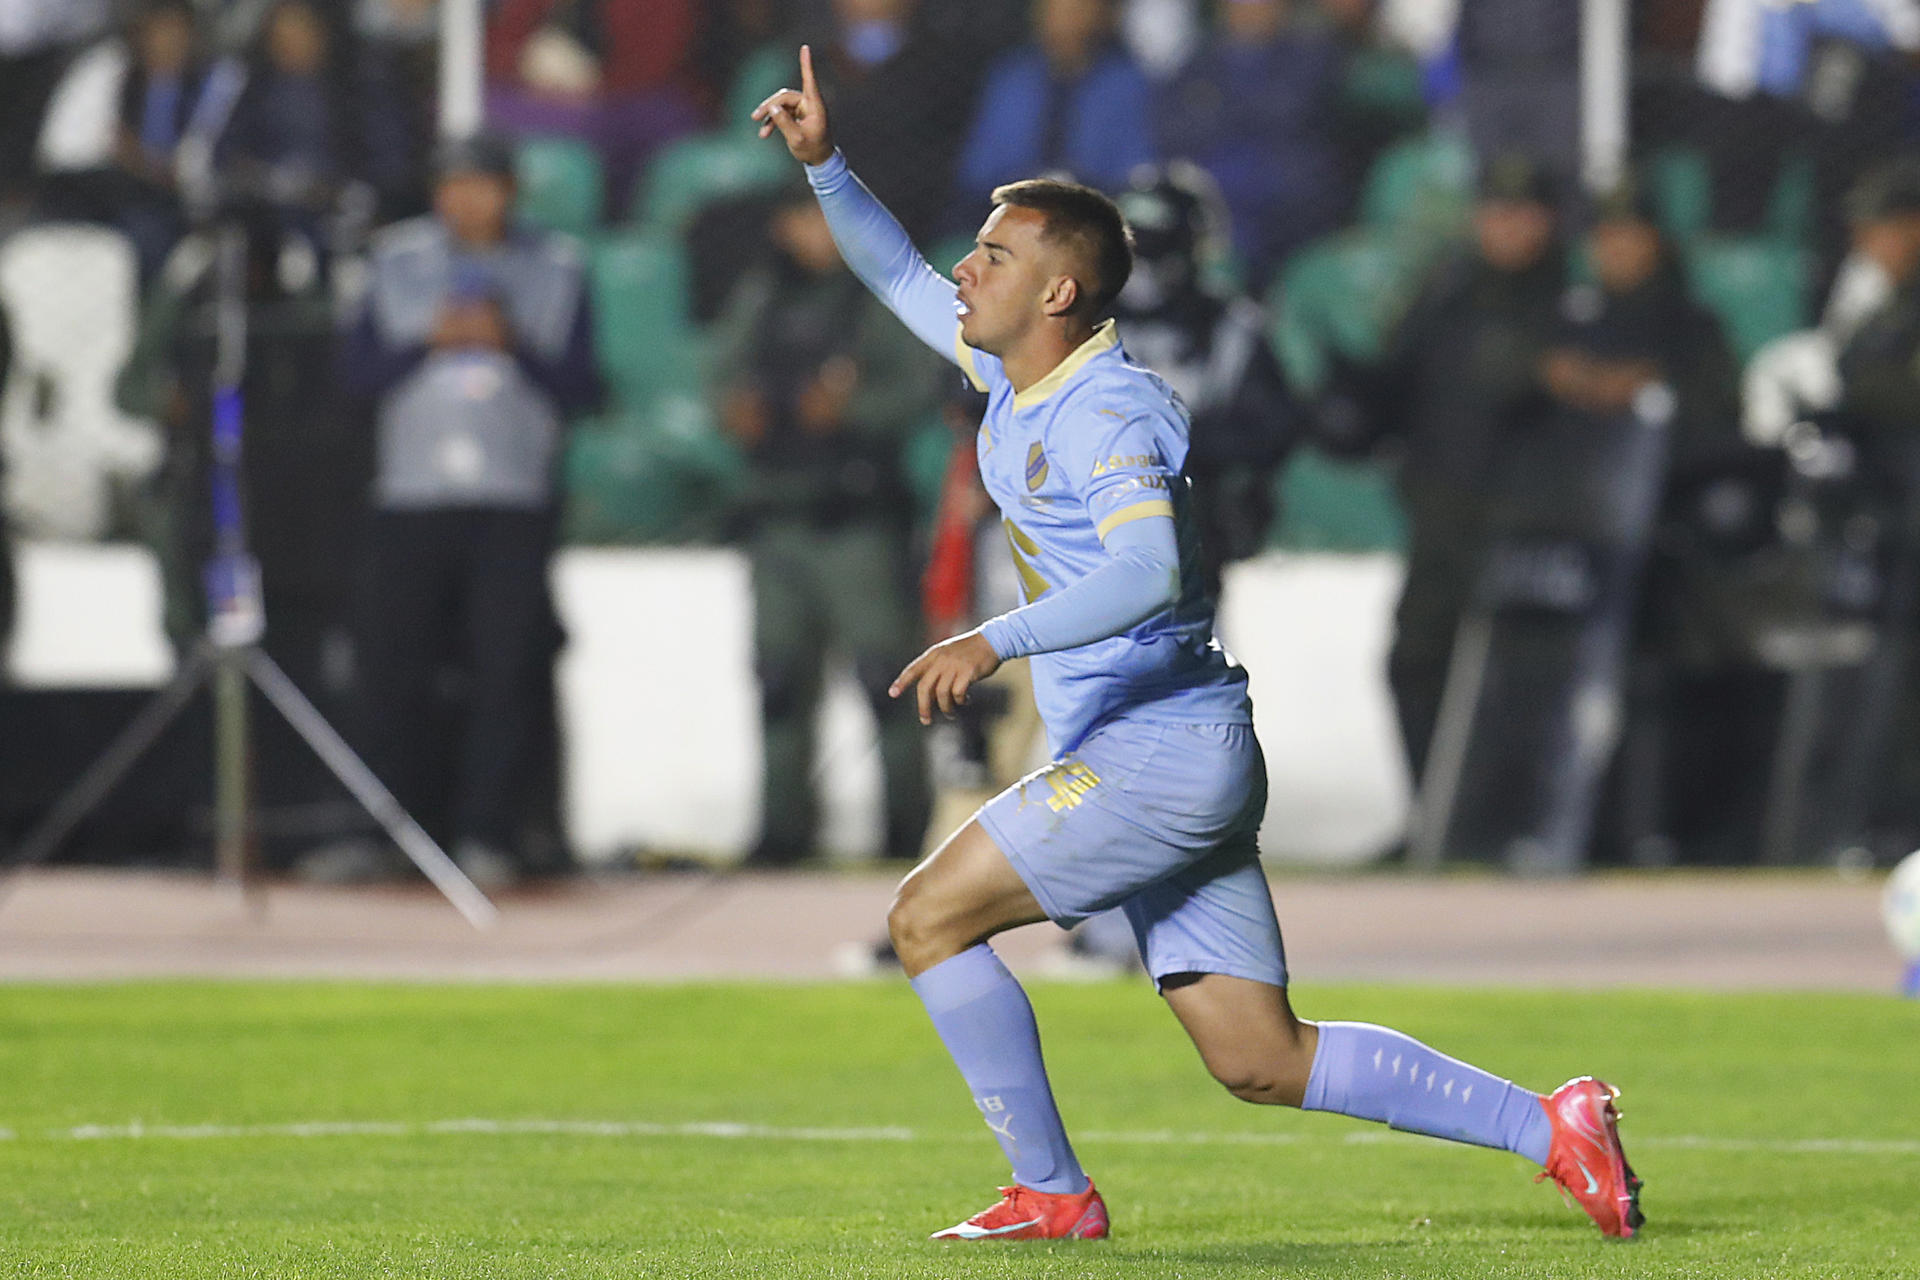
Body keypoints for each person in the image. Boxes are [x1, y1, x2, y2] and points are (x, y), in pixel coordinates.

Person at [753, 46, 1643, 1242]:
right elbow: (900, 276)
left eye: (997, 253)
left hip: (1152, 756)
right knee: (1258, 1054)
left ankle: (1054, 1194)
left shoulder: (1109, 408)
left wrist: (994, 636)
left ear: (1059, 292)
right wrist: (829, 168)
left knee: (925, 918)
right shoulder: (1016, 372)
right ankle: (1559, 1124)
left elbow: (1148, 569)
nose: (968, 267)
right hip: (1178, 744)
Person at [333, 132, 599, 888]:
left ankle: (491, 833)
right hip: (410, 498)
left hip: (513, 500)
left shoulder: (559, 266)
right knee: (392, 670)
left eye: (481, 184)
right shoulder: (392, 262)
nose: (466, 200)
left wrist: (512, 344)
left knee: (505, 671)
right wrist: (430, 342)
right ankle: (386, 831)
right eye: (452, 184)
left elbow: (583, 386)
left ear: (509, 190)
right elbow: (353, 381)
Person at [709, 181, 943, 867]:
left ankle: (908, 826)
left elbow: (916, 387)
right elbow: (720, 375)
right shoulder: (763, 297)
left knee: (886, 679)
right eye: (800, 220)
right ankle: (782, 829)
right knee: (778, 681)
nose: (814, 234)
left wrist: (851, 410)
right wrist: (736, 409)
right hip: (776, 515)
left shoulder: (880, 293)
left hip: (856, 521)